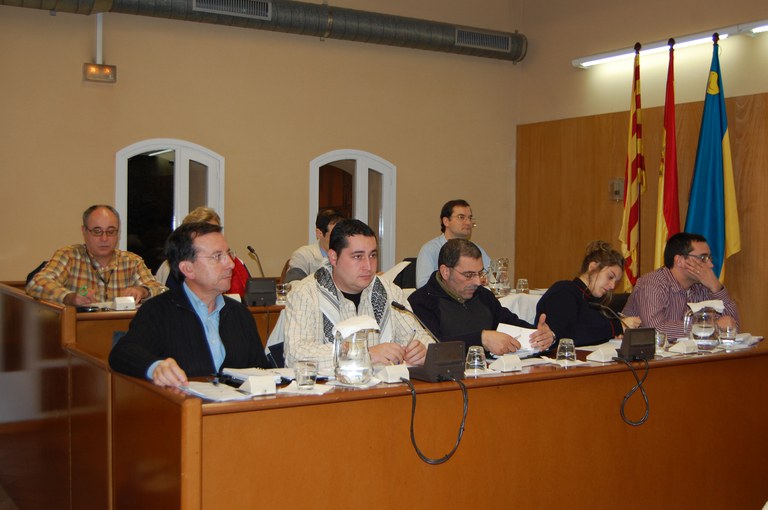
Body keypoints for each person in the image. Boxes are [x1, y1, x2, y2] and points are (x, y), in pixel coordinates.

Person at [109, 222, 270, 387]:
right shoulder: (158, 311)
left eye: (228, 254)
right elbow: (122, 353)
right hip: (184, 401)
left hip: (235, 403)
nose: (230, 264)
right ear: (188, 269)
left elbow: (261, 370)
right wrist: (156, 368)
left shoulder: (239, 313)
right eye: (217, 256)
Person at [283, 219, 432, 369]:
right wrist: (364, 354)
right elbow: (295, 355)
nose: (368, 266)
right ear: (333, 257)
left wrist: (421, 351)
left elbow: (422, 338)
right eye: (358, 256)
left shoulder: (390, 291)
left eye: (372, 255)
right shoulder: (305, 294)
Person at [409, 239, 555, 355]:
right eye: (469, 275)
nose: (477, 282)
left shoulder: (483, 295)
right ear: (445, 272)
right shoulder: (421, 302)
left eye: (480, 273)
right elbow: (433, 347)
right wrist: (481, 339)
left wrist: (541, 335)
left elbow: (510, 322)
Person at [26, 205, 165, 305]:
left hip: (123, 330)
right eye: (97, 232)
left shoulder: (132, 261)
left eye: (111, 231)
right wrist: (68, 297)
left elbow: (162, 290)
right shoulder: (69, 256)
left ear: (118, 233)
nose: (104, 238)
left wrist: (143, 290)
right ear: (84, 231)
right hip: (80, 330)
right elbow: (36, 284)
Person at [622, 232, 739, 339]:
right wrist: (709, 327)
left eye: (709, 258)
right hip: (647, 354)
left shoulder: (702, 286)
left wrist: (716, 287)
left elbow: (733, 327)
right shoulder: (652, 283)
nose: (710, 265)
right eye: (703, 258)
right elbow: (656, 330)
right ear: (679, 261)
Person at [535, 241, 641, 347]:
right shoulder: (564, 291)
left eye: (616, 281)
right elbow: (568, 336)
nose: (613, 286)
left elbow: (593, 333)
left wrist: (612, 336)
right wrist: (617, 327)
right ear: (593, 267)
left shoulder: (595, 302)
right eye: (610, 277)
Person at [154, 207, 250, 296]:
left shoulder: (236, 263)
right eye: (206, 232)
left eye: (215, 230)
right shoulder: (170, 268)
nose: (231, 265)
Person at [415, 199, 491, 288]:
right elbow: (423, 286)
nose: (468, 222)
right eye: (461, 217)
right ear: (446, 221)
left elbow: (492, 277)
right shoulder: (430, 249)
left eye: (470, 218)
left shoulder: (476, 249)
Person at [283, 208, 345, 283]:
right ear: (319, 234)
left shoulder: (348, 256)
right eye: (334, 234)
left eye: (342, 234)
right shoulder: (302, 256)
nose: (340, 239)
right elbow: (293, 285)